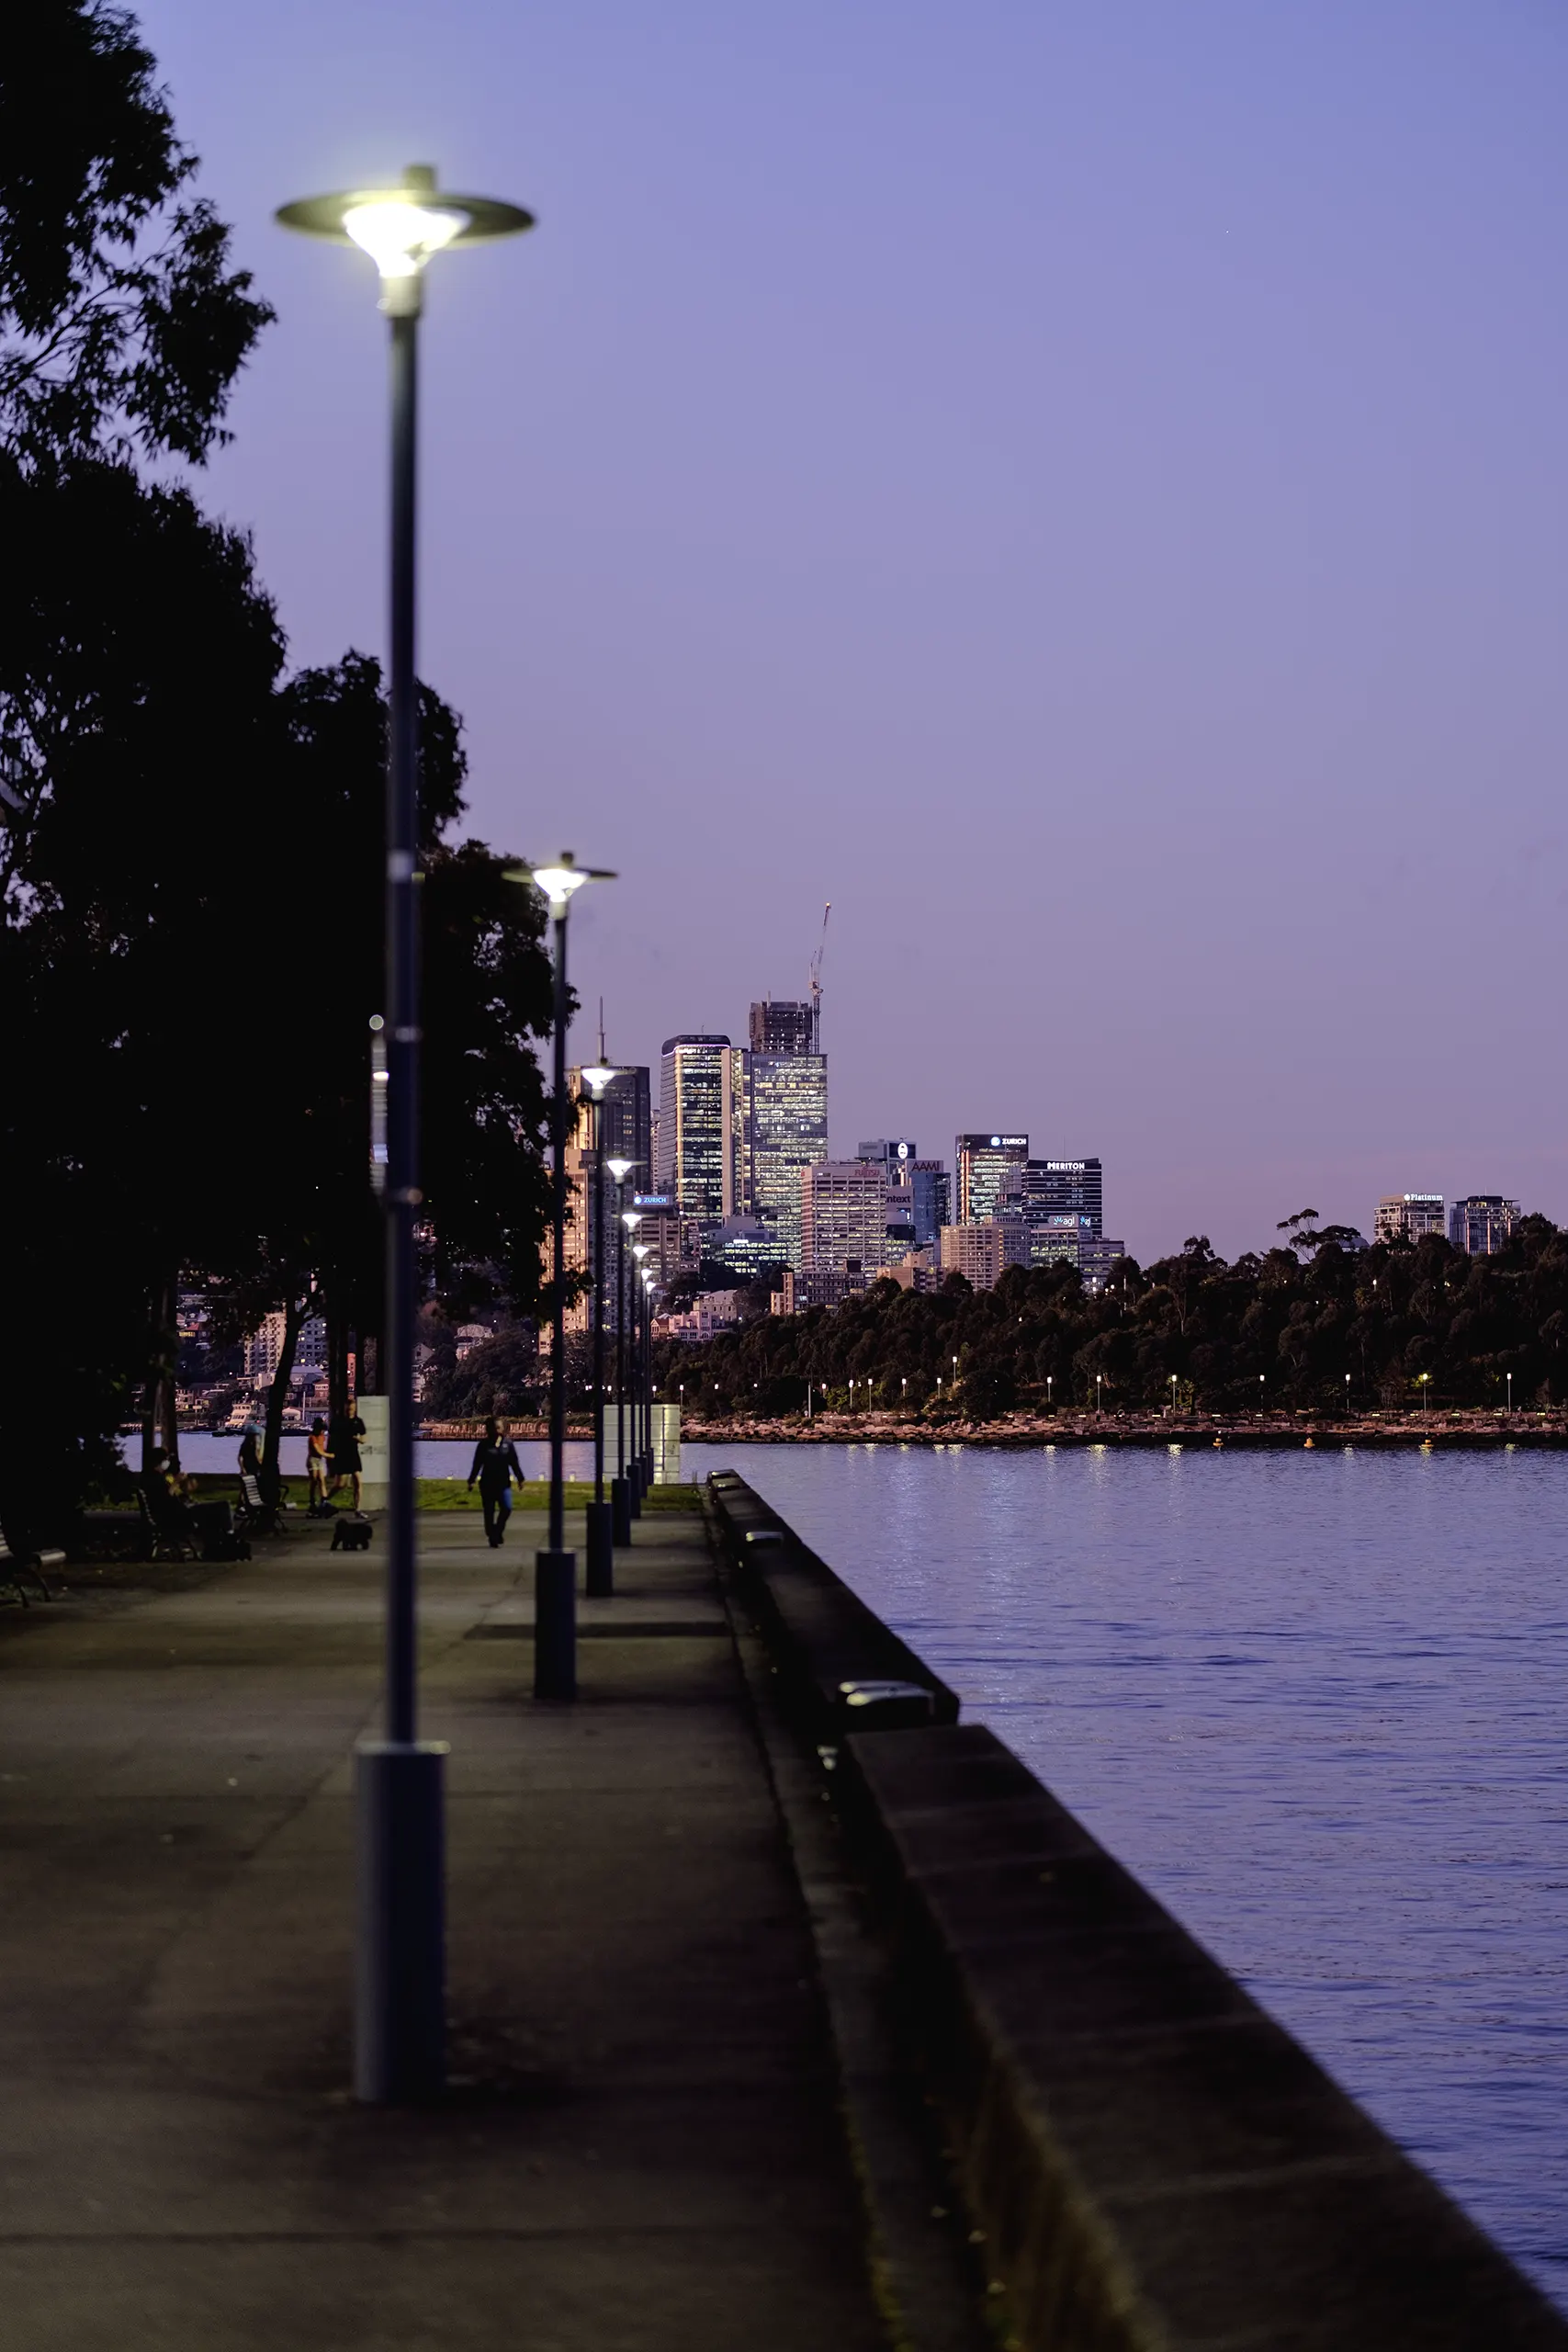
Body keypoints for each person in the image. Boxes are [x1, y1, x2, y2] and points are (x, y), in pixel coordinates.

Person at [467, 1416, 524, 1547]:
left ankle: (497, 1531)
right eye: (493, 1428)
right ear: (487, 1429)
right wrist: (471, 1481)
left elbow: (514, 1463)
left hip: (504, 1484)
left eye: (498, 1427)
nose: (496, 1430)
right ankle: (492, 1535)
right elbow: (477, 1465)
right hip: (487, 1484)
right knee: (489, 1511)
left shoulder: (508, 1444)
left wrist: (520, 1478)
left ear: (502, 1428)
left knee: (507, 1509)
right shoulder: (483, 1445)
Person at [328, 1401, 367, 1511]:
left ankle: (358, 1508)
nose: (349, 1411)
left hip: (353, 1454)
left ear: (354, 1409)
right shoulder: (338, 1421)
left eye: (351, 1409)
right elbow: (331, 1437)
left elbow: (364, 1439)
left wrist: (358, 1439)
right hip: (342, 1454)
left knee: (358, 1481)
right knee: (340, 1484)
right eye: (347, 1409)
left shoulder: (358, 1422)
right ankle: (325, 1499)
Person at [306, 1418, 331, 1515]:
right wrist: (329, 1456)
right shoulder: (312, 1437)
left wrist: (327, 1452)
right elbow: (317, 1450)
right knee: (314, 1480)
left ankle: (324, 1500)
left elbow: (322, 1448)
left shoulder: (322, 1436)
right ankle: (312, 1501)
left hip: (319, 1460)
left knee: (321, 1480)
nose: (322, 1431)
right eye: (321, 1429)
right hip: (313, 1460)